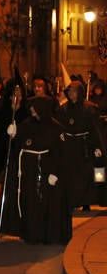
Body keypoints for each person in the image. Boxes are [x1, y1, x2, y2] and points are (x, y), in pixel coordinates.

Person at [0, 96, 72, 244]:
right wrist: (14, 134)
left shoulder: (56, 128)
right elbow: (18, 144)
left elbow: (61, 152)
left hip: (46, 170)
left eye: (34, 108)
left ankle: (45, 234)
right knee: (28, 201)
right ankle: (29, 232)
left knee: (46, 203)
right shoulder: (27, 124)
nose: (32, 111)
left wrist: (55, 173)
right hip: (27, 172)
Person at [54, 81, 106, 211]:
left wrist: (98, 147)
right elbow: (57, 126)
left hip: (85, 146)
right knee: (71, 174)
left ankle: (86, 201)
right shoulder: (63, 109)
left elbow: (96, 129)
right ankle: (72, 200)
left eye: (74, 92)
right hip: (69, 146)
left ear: (80, 93)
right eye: (69, 92)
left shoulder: (89, 108)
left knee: (88, 174)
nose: (71, 94)